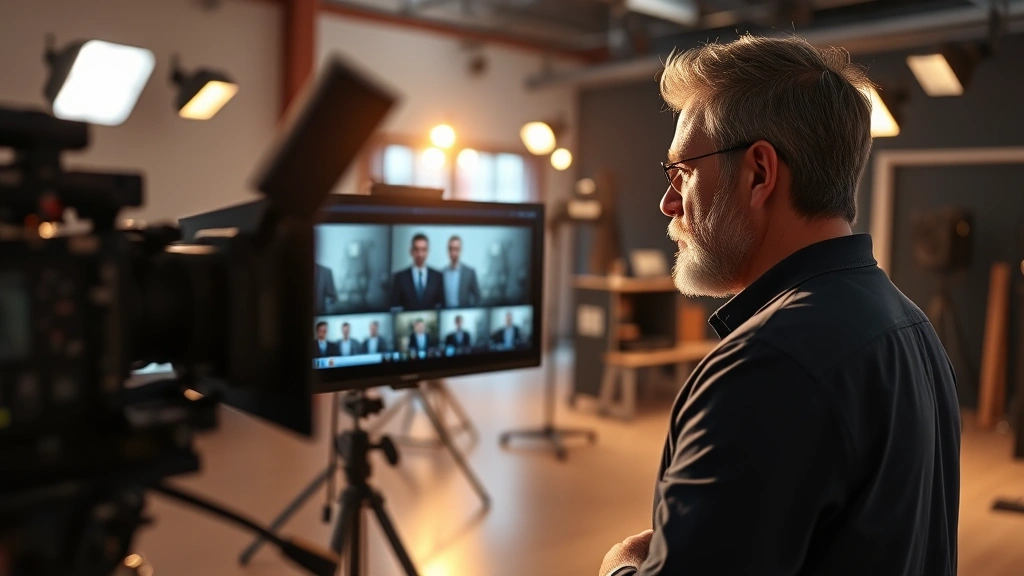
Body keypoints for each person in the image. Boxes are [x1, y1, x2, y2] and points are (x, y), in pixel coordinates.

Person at [599, 35, 960, 576]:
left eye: (683, 173)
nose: (668, 202)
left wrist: (619, 567)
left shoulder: (766, 367)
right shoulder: (911, 325)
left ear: (759, 173)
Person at [390, 233, 445, 310]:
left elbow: (442, 306)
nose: (420, 254)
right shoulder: (400, 277)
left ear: (427, 252)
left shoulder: (437, 276)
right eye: (416, 249)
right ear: (411, 251)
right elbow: (394, 307)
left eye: (423, 250)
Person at [442, 235, 481, 308]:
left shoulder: (470, 272)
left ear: (461, 250)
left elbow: (477, 297)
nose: (453, 253)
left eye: (456, 249)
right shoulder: (442, 273)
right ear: (448, 251)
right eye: (451, 249)